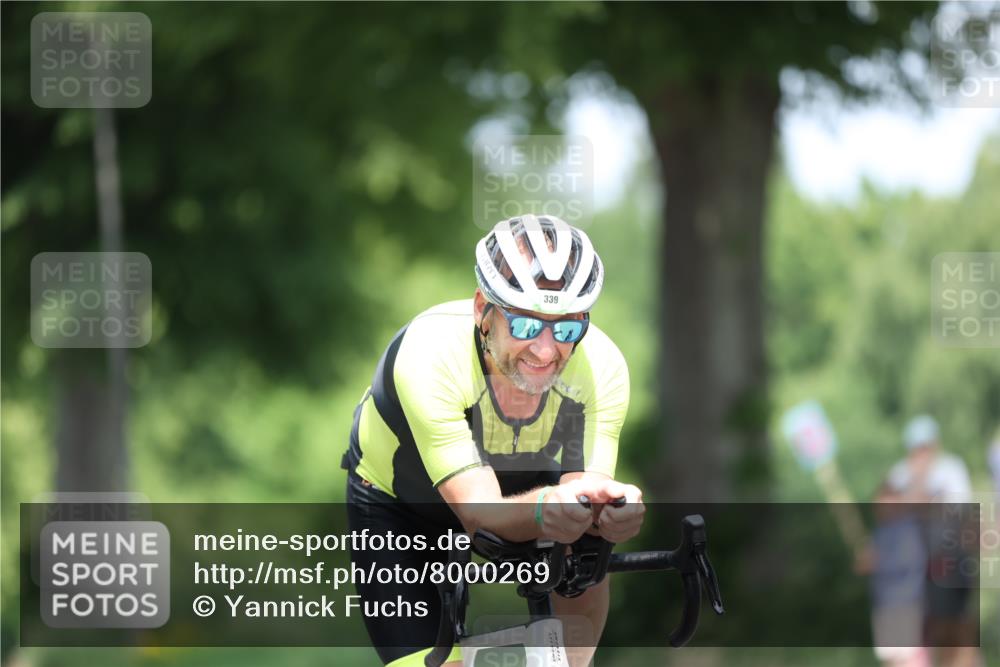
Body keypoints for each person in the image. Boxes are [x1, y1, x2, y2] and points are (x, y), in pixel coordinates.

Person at [341, 214, 644, 667]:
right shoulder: (428, 355)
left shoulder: (602, 367)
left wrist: (609, 511)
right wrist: (549, 506)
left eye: (565, 328)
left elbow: (583, 498)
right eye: (524, 326)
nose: (545, 351)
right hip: (401, 502)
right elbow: (480, 513)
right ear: (484, 309)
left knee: (587, 552)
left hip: (521, 482)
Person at [884, 415, 980, 667]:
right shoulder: (899, 474)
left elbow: (959, 514)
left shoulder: (952, 468)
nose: (923, 452)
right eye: (918, 446)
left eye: (926, 445)